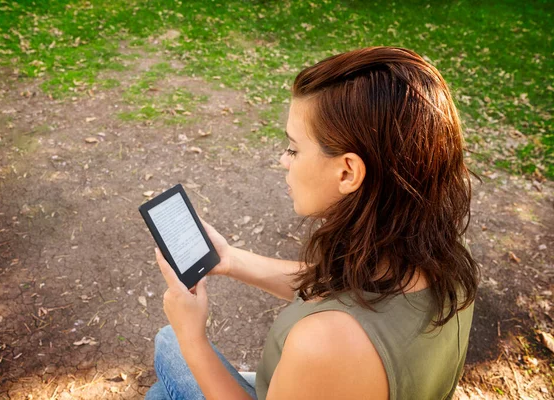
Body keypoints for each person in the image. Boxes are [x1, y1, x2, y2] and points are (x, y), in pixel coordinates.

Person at [145, 46, 479, 400]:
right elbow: (341, 290)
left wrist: (193, 339)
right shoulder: (443, 254)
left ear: (347, 171)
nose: (283, 160)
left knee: (170, 348)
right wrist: (232, 261)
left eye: (293, 148)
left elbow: (337, 325)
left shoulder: (323, 346)